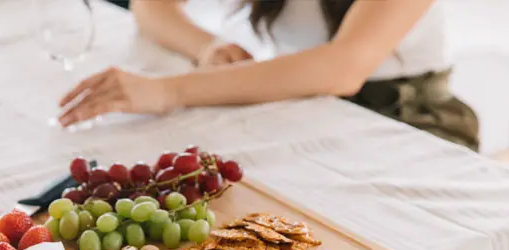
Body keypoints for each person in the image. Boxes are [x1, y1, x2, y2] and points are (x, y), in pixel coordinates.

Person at [59, 0, 479, 151]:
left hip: (411, 117)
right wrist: (205, 47)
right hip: (297, 102)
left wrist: (167, 91)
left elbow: (343, 68)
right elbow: (151, 7)